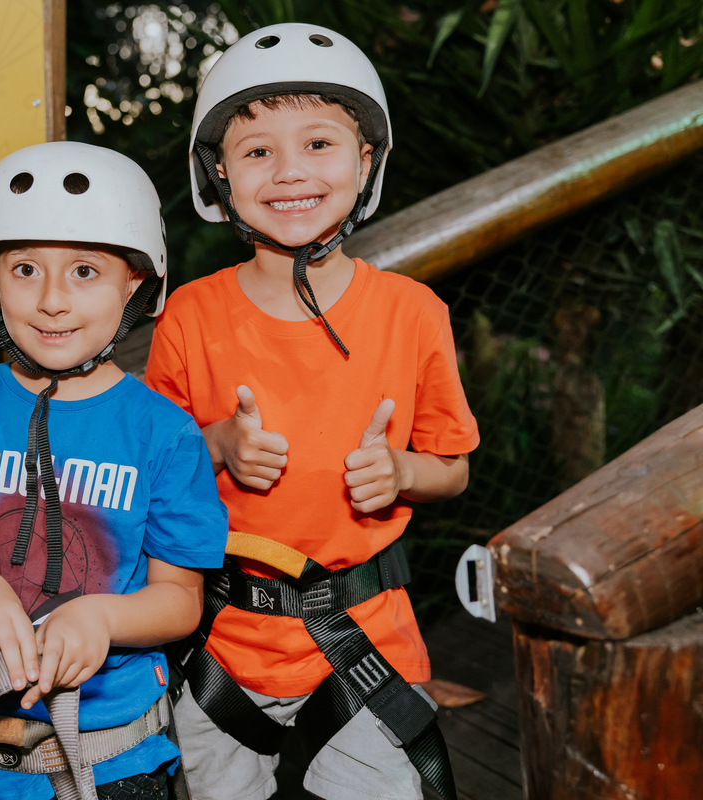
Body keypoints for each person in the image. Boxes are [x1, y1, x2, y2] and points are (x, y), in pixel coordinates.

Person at [144, 23, 479, 800]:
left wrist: (401, 471)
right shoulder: (191, 317)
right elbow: (149, 473)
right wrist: (217, 443)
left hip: (367, 639)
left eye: (320, 143)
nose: (289, 171)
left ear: (367, 162)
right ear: (218, 173)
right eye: (258, 150)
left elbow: (453, 468)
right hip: (222, 643)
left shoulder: (414, 312)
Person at [0, 141, 228, 800]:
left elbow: (181, 599)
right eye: (26, 268)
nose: (53, 300)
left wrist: (103, 620)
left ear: (135, 282)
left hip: (111, 766)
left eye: (85, 271)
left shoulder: (164, 433)